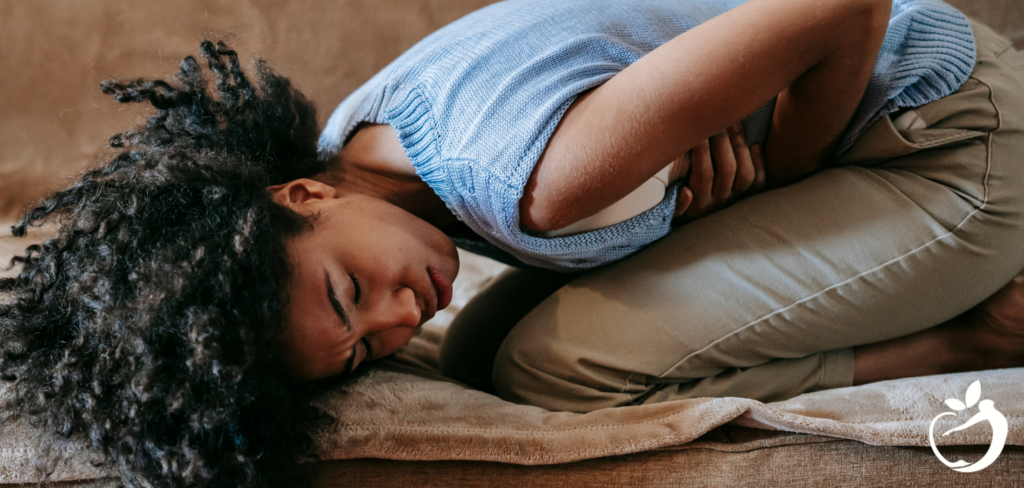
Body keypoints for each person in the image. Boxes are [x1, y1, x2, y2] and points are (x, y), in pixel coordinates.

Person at [1, 0, 1021, 487]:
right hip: (910, 120)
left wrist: (783, 172)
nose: (408, 317)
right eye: (364, 348)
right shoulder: (364, 137)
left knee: (550, 362)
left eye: (354, 290)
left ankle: (976, 337)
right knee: (487, 349)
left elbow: (838, 5)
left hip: (948, 143)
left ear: (300, 194)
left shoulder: (533, 182)